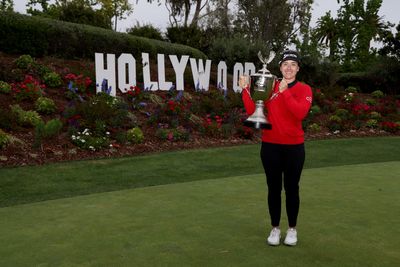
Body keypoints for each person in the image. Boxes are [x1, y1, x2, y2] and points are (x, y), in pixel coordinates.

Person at [239, 50, 313, 246]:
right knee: (273, 189)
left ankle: (292, 230)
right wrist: (245, 89)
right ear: (280, 68)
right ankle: (274, 229)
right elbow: (252, 110)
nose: (289, 68)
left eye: (293, 64)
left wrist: (285, 91)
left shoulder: (304, 89)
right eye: (285, 64)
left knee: (291, 189)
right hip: (270, 146)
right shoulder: (270, 86)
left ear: (298, 68)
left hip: (294, 148)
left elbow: (299, 113)